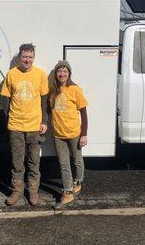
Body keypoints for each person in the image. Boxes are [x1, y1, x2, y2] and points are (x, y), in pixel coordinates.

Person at [0, 43, 49, 206]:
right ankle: (17, 191)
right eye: (24, 57)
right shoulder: (11, 74)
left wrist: (44, 121)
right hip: (16, 126)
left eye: (30, 57)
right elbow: (5, 99)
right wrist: (9, 118)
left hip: (35, 126)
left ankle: (33, 193)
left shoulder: (40, 75)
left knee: (34, 162)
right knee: (17, 161)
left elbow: (44, 101)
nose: (27, 60)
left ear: (33, 58)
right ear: (19, 58)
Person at [50, 60, 88, 209]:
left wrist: (84, 134)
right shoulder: (53, 91)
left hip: (74, 133)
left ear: (69, 73)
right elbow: (49, 110)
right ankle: (67, 192)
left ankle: (78, 182)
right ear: (56, 74)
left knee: (77, 160)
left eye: (65, 71)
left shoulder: (75, 89)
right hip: (58, 134)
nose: (62, 74)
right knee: (64, 164)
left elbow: (84, 113)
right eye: (59, 71)